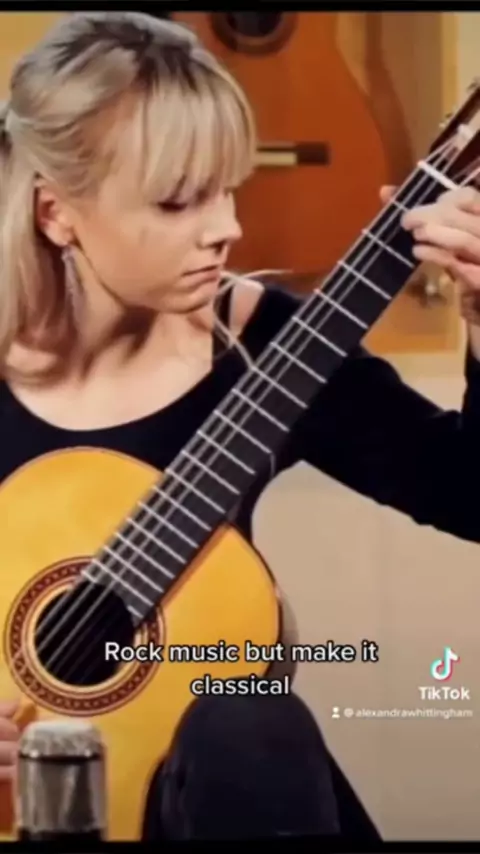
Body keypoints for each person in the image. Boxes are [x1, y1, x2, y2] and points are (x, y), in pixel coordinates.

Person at [0, 11, 479, 841]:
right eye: (177, 201)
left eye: (227, 187)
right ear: (56, 213)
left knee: (248, 716)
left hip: (215, 800)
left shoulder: (265, 343)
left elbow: (469, 494)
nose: (227, 228)